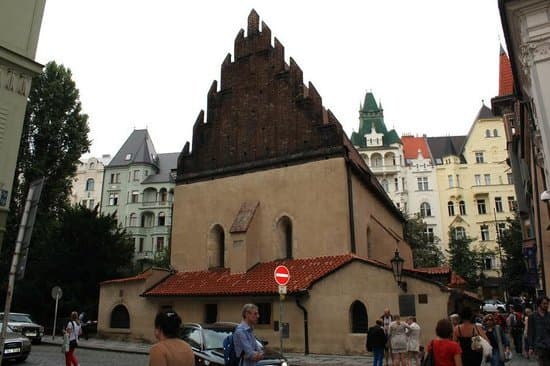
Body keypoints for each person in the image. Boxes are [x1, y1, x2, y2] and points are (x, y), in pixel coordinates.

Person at [527, 296, 550, 366]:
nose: (547, 305)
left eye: (547, 304)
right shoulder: (532, 316)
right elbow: (530, 332)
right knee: (542, 363)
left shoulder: (549, 315)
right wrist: (530, 347)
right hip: (539, 345)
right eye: (544, 304)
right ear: (539, 304)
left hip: (549, 344)